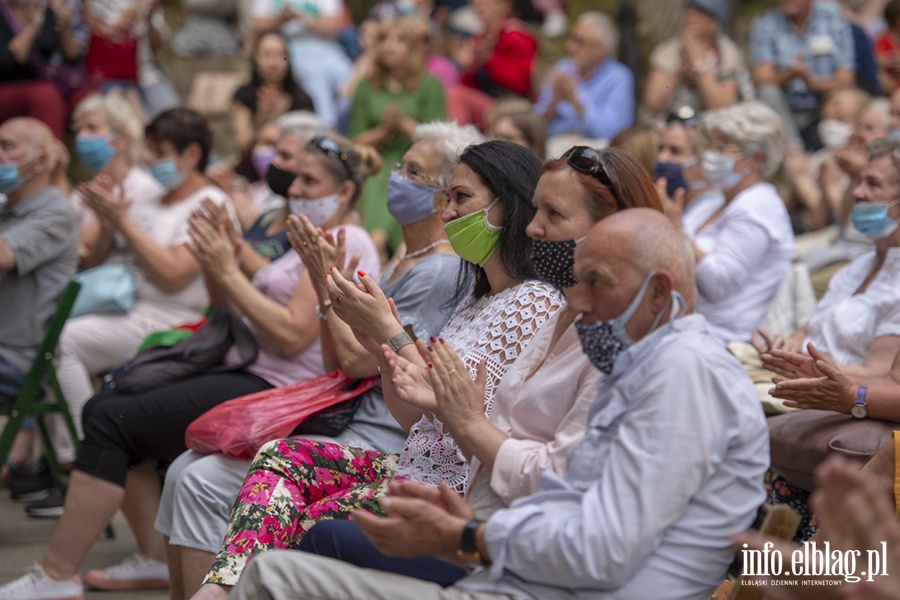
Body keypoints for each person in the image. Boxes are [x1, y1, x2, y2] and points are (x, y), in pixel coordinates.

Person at [230, 208, 771, 600]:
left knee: (273, 577)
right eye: (577, 280)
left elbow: (603, 553)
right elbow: (569, 496)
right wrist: (468, 527)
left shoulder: (684, 370)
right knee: (294, 544)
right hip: (517, 572)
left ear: (659, 293)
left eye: (596, 282)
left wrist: (468, 536)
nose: (577, 301)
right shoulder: (641, 364)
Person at [0, 134, 383, 600]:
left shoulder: (346, 240)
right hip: (242, 360)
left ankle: (61, 574)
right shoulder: (297, 234)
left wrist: (223, 269)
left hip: (279, 385)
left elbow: (291, 333)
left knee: (111, 418)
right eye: (294, 177)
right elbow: (236, 306)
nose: (295, 187)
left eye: (308, 179)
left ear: (344, 192)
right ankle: (146, 560)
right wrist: (220, 256)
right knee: (109, 403)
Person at [190, 140, 563, 597]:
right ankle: (217, 590)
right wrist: (385, 354)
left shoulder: (533, 301)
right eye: (446, 198)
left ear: (510, 205)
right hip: (414, 464)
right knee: (281, 456)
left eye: (461, 198)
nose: (446, 213)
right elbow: (416, 415)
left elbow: (470, 422)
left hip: (450, 488)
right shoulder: (475, 298)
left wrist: (389, 333)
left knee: (305, 522)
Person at [295, 146, 664, 586]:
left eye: (553, 214)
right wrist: (385, 351)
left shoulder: (557, 313)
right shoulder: (515, 308)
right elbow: (427, 413)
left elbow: (551, 481)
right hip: (475, 515)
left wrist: (466, 532)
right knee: (300, 516)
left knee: (318, 534)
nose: (533, 226)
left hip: (493, 538)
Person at [156, 121, 481, 600]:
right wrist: (324, 289)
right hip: (349, 411)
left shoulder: (439, 270)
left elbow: (357, 361)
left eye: (413, 172)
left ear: (442, 198)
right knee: (187, 468)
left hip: (380, 428)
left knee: (201, 481)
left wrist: (318, 284)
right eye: (400, 165)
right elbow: (340, 359)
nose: (396, 177)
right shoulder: (404, 259)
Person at [51, 108, 232, 473]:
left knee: (63, 341)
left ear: (192, 154)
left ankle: (83, 455)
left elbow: (174, 274)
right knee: (49, 330)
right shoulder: (152, 198)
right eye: (148, 150)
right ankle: (82, 450)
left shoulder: (211, 203)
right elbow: (94, 260)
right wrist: (106, 222)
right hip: (127, 308)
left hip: (173, 320)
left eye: (159, 152)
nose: (149, 161)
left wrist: (122, 221)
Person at [757, 136, 900, 381]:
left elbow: (878, 375)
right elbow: (808, 331)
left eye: (873, 184)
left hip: (835, 402)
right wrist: (788, 344)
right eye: (859, 181)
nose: (857, 192)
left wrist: (800, 365)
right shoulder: (858, 266)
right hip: (798, 379)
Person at [669, 101, 795, 344]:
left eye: (721, 146)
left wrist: (675, 228)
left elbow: (718, 283)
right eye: (709, 144)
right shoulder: (715, 199)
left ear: (756, 158)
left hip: (720, 336)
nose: (709, 153)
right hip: (683, 321)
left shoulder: (758, 206)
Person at [349, 15, 446, 255]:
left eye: (399, 40)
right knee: (377, 177)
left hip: (415, 161)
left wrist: (402, 124)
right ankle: (377, 244)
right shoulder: (366, 86)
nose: (389, 46)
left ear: (412, 47)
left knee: (402, 179)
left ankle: (375, 245)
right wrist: (383, 130)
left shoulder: (430, 84)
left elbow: (439, 138)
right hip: (376, 158)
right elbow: (355, 140)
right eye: (384, 39)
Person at [0, 117, 78, 403]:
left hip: (17, 362)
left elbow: (3, 255)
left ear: (41, 161)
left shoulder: (56, 213)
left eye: (6, 146)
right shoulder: (6, 207)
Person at [70, 93, 164, 264]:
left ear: (122, 139)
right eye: (79, 129)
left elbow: (84, 244)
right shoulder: (84, 191)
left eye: (92, 128)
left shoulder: (145, 188)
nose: (81, 137)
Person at [750, 0, 856, 147]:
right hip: (785, 106)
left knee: (846, 97)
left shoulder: (835, 21)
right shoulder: (764, 24)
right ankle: (793, 150)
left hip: (823, 102)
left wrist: (813, 82)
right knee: (768, 91)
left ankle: (838, 149)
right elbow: (761, 78)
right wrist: (790, 75)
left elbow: (846, 80)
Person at [535, 12, 634, 145]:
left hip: (596, 151)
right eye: (572, 39)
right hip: (554, 144)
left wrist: (576, 100)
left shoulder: (619, 77)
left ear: (600, 51)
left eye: (579, 42)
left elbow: (611, 134)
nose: (570, 47)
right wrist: (554, 102)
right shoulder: (563, 67)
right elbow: (536, 127)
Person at [250, 0, 352, 128]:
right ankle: (326, 127)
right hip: (291, 52)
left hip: (330, 53)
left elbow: (335, 25)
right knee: (315, 75)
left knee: (351, 82)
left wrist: (302, 17)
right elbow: (257, 24)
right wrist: (280, 19)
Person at [644, 0, 746, 121]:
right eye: (689, 11)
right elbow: (654, 104)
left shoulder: (727, 52)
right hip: (672, 121)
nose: (691, 17)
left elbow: (722, 106)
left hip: (714, 124)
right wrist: (679, 71)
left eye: (700, 13)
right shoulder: (668, 51)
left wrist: (699, 65)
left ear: (714, 21)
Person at [0, 0, 87, 139]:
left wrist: (64, 27)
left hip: (52, 84)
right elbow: (7, 62)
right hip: (8, 88)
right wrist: (33, 28)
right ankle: (51, 155)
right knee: (45, 96)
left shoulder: (44, 10)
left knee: (88, 96)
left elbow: (72, 57)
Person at [446, 0, 537, 130]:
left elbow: (522, 85)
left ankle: (455, 144)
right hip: (487, 106)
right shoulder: (479, 39)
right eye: (476, 2)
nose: (480, 6)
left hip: (513, 106)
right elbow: (469, 87)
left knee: (456, 95)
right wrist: (466, 67)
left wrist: (489, 59)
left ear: (506, 5)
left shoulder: (517, 35)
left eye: (487, 2)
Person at [230, 31, 314, 162]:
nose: (273, 63)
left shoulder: (302, 100)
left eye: (281, 56)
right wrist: (262, 116)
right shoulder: (243, 96)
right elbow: (243, 145)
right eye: (266, 55)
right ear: (255, 59)